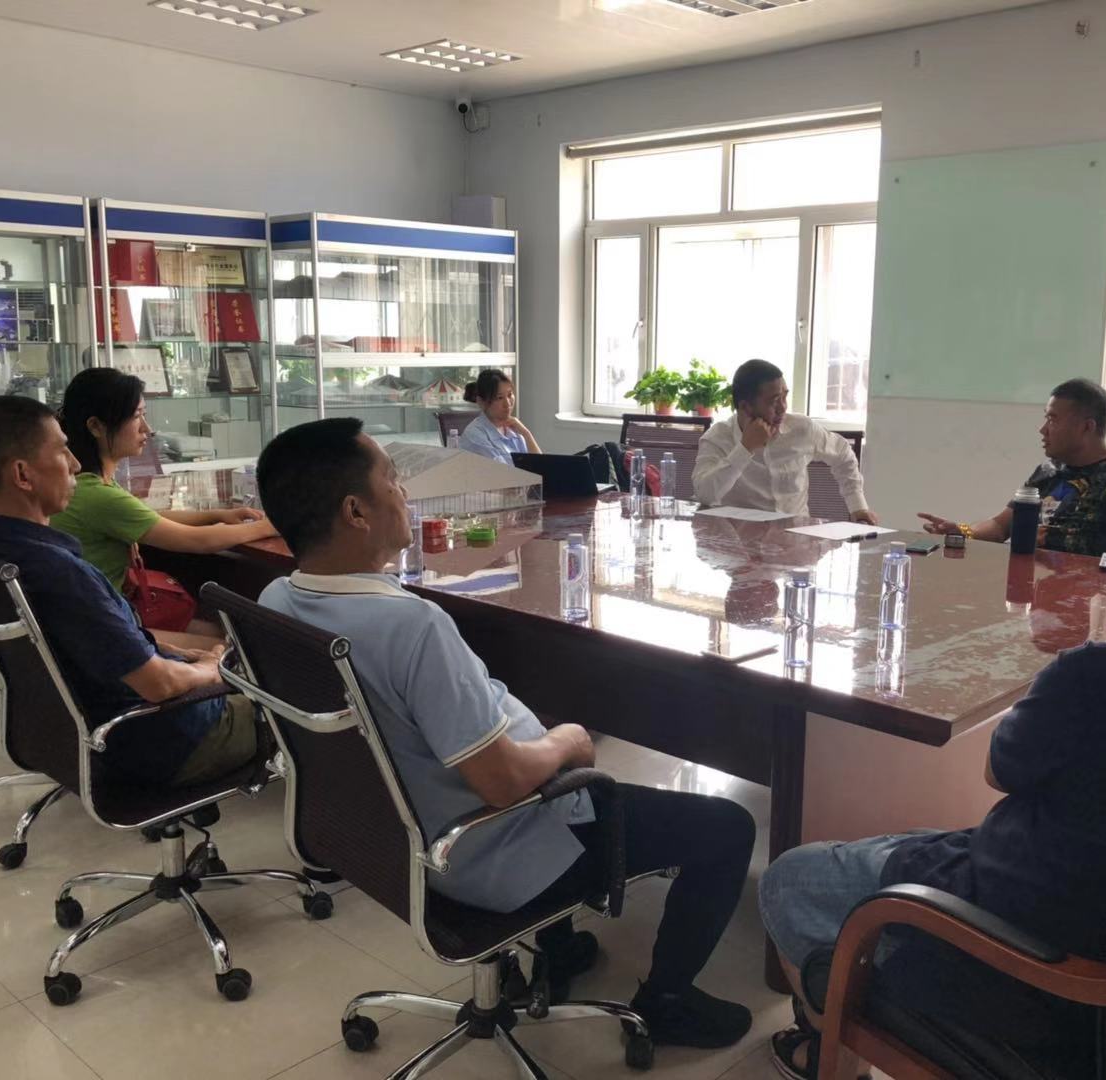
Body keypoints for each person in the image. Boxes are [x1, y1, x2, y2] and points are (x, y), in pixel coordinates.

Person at [758, 431, 1106, 1078]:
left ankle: (835, 1041)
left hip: (1029, 955)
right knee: (905, 842)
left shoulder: (1100, 677)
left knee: (790, 879)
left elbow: (1000, 769)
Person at [254, 418, 756, 1050]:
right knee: (726, 826)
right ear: (356, 511)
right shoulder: (412, 626)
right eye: (392, 479)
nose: (403, 491)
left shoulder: (277, 599)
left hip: (381, 841)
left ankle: (559, 948)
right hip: (483, 847)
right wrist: (568, 741)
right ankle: (669, 1001)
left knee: (540, 735)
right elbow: (504, 782)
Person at [0, 395, 257, 788]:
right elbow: (160, 685)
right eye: (62, 451)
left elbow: (98, 645)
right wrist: (209, 669)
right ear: (23, 475)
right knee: (299, 697)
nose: (75, 464)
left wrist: (177, 654)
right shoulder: (60, 574)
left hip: (85, 735)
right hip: (165, 740)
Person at [50, 368, 276, 625]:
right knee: (230, 639)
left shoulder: (90, 483)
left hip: (98, 615)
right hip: (106, 625)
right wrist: (267, 526)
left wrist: (217, 515)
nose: (147, 429)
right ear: (96, 426)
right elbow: (196, 541)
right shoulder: (98, 495)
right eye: (136, 416)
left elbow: (148, 517)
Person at [918, 378, 1106, 556]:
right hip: (1033, 583)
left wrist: (1094, 582)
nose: (1043, 429)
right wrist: (962, 531)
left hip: (1087, 590)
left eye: (1052, 420)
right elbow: (1000, 526)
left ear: (1087, 427)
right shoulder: (1048, 471)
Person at [692, 359, 877, 524]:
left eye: (784, 397)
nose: (783, 408)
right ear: (746, 407)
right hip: (741, 542)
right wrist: (745, 448)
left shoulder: (802, 429)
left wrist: (857, 506)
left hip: (797, 539)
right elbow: (705, 495)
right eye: (774, 401)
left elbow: (843, 454)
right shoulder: (717, 438)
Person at [456, 368, 540, 464]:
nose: (507, 403)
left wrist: (526, 434)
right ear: (481, 402)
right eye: (499, 398)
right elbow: (504, 472)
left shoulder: (514, 429)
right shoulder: (475, 435)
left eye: (510, 395)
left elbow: (541, 466)